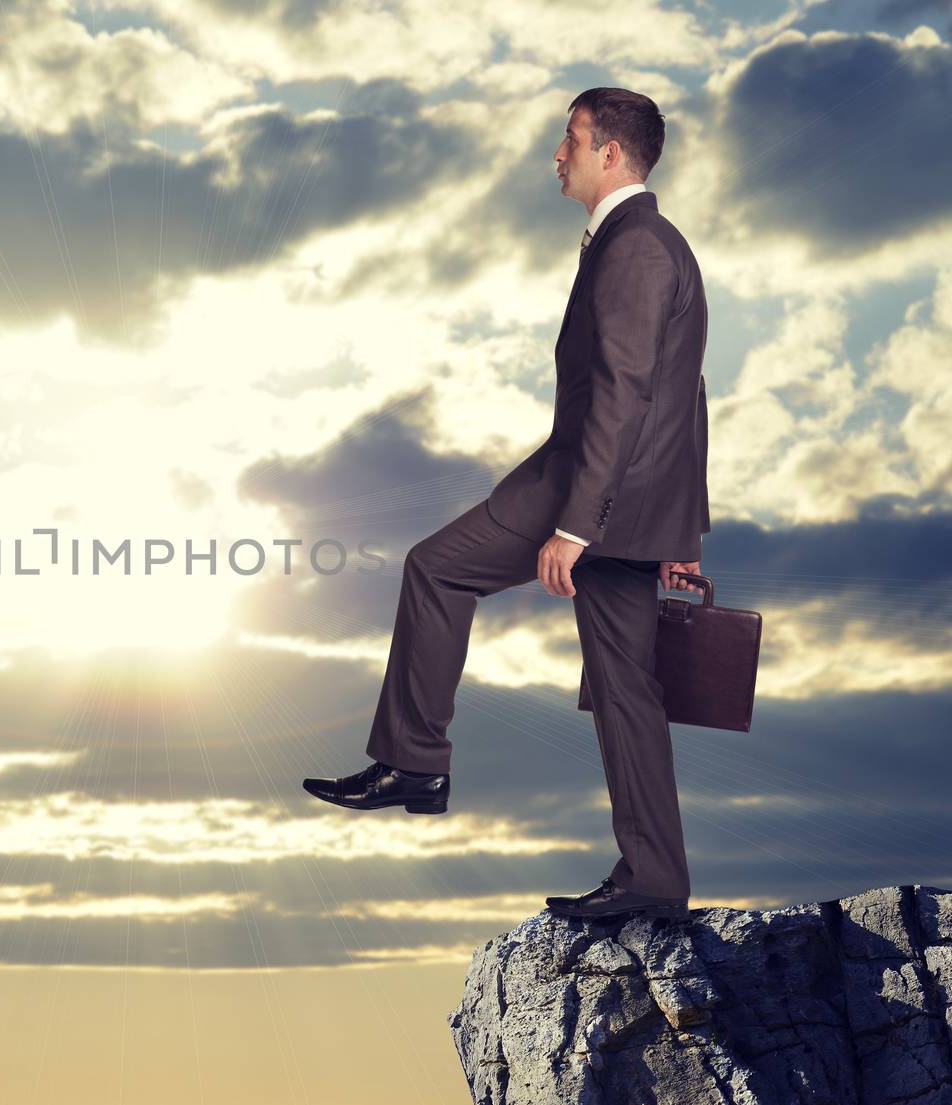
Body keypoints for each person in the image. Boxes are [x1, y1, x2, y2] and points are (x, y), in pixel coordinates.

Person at [302, 87, 711, 922]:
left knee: (437, 570)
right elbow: (684, 394)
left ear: (610, 154)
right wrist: (681, 525)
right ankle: (656, 879)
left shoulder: (634, 249)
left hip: (589, 491)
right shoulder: (651, 242)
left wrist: (572, 525)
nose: (556, 155)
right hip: (635, 501)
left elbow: (627, 396)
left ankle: (416, 761)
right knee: (626, 688)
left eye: (570, 140)